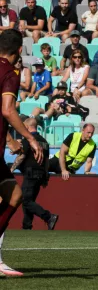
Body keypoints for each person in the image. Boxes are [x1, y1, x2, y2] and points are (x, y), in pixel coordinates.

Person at [0, 29, 43, 277]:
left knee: (11, 194)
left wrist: (6, 138)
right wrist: (30, 138)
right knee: (12, 196)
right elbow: (7, 110)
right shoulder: (11, 73)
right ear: (18, 51)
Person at [10, 118, 58, 231]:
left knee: (25, 201)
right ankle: (27, 226)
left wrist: (11, 168)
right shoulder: (44, 141)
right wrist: (45, 177)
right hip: (40, 175)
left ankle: (49, 217)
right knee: (29, 201)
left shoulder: (29, 139)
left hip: (31, 174)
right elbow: (46, 161)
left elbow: (21, 156)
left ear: (26, 127)